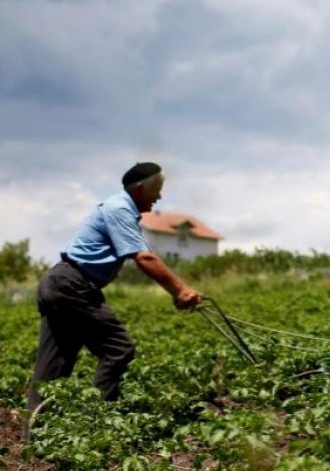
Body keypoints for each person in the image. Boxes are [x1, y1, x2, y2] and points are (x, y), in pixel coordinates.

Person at [27, 162, 202, 414]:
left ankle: (34, 440)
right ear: (140, 188)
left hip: (60, 283)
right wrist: (181, 290)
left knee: (53, 367)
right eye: (157, 191)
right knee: (118, 349)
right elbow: (144, 258)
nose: (159, 197)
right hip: (71, 285)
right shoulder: (119, 208)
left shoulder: (118, 208)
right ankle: (95, 420)